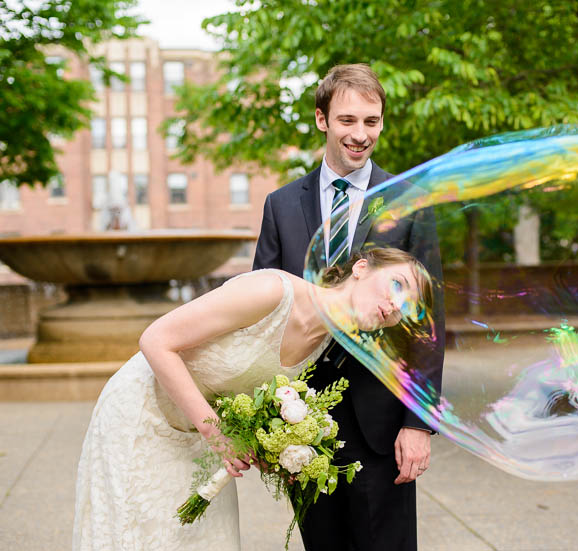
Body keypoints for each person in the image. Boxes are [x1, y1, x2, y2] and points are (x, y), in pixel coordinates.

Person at [72, 248, 431, 551]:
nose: (393, 305)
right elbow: (155, 340)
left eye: (405, 307)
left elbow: (243, 393)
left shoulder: (323, 343)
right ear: (361, 268)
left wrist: (274, 449)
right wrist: (216, 433)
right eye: (396, 285)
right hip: (142, 417)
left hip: (198, 436)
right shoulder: (271, 292)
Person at [253, 63, 445, 551]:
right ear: (322, 119)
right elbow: (262, 313)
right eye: (347, 120)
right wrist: (262, 416)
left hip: (381, 421)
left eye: (371, 122)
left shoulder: (410, 202)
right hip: (301, 422)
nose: (360, 135)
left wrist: (417, 423)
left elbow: (429, 324)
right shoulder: (280, 205)